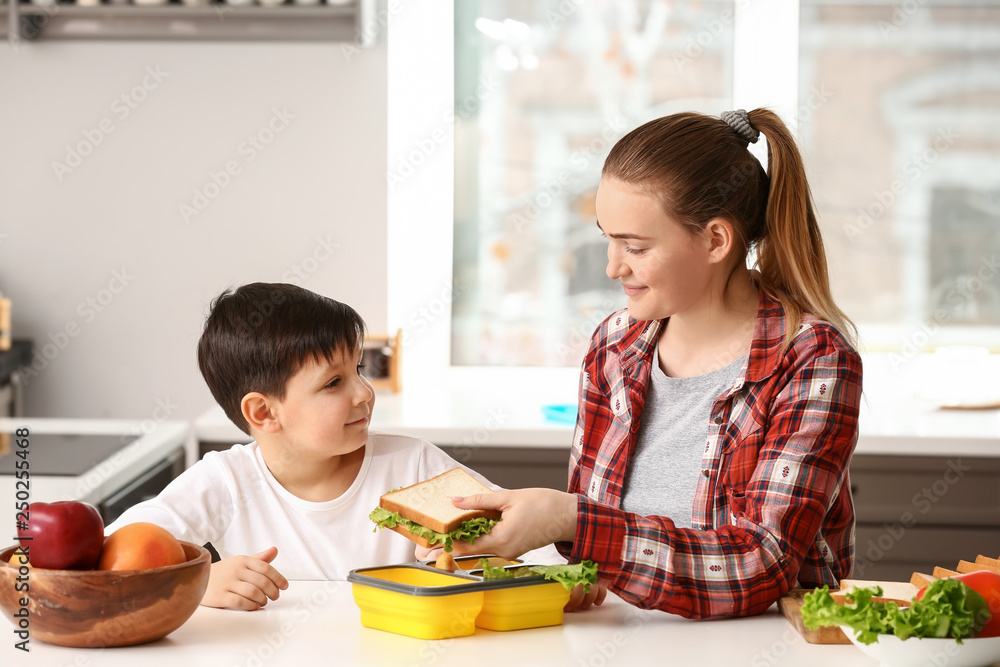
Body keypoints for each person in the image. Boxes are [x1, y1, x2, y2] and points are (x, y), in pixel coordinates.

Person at [452, 109, 863, 619]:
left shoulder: (811, 359)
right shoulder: (613, 345)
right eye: (608, 236)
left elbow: (762, 563)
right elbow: (593, 544)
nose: (612, 266)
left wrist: (571, 522)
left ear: (716, 240)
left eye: (636, 246)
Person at [107, 283, 571, 611]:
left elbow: (528, 541)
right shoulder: (225, 481)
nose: (364, 393)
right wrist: (199, 581)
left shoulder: (413, 464)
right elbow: (113, 556)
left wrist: (553, 580)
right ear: (264, 413)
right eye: (334, 383)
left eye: (359, 370)